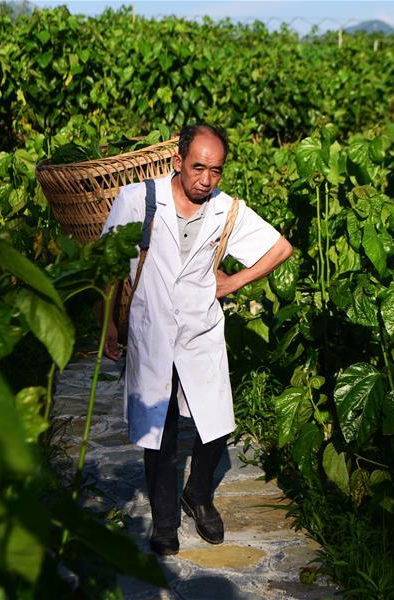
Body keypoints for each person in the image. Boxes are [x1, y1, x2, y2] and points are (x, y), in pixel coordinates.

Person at [99, 124, 292, 556]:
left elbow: (280, 248)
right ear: (178, 162)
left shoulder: (228, 210)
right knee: (161, 426)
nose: (206, 179)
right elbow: (109, 263)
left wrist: (233, 282)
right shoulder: (138, 199)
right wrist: (108, 322)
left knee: (215, 422)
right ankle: (165, 521)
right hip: (152, 328)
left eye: (216, 170)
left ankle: (199, 495)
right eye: (198, 168)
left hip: (200, 329)